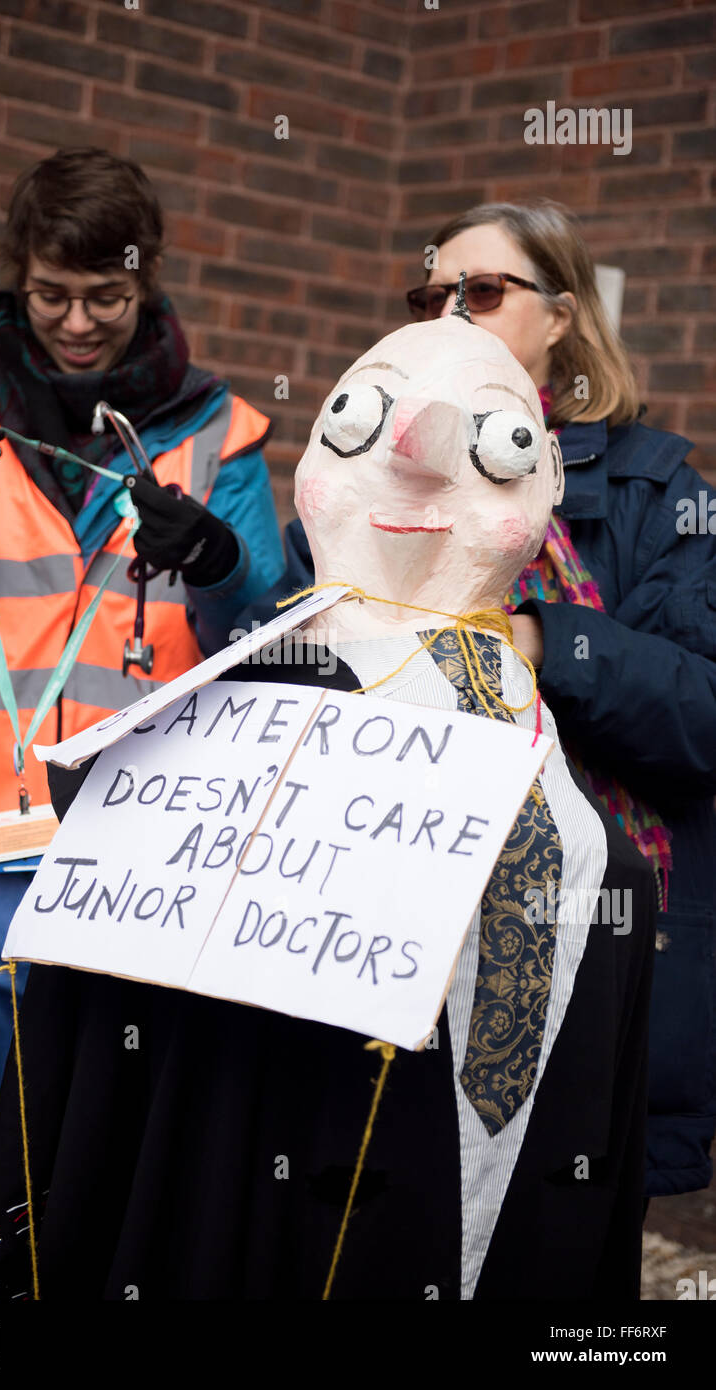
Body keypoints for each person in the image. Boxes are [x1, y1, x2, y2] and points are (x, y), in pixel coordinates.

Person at [0, 313, 655, 1300]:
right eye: (354, 420)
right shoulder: (212, 733)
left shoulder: (553, 789)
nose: (415, 456)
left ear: (548, 476)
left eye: (495, 439)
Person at [0, 146, 284, 1299]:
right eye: (52, 295)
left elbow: (274, 627)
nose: (79, 322)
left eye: (108, 297)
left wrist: (219, 556)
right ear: (18, 274)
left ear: (149, 285)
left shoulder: (220, 433)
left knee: (115, 1152)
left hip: (135, 856)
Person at [245, 198, 716, 1201]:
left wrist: (546, 640)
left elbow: (703, 718)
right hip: (382, 947)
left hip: (594, 960)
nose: (449, 313)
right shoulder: (358, 480)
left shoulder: (654, 495)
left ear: (564, 317)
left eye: (485, 291)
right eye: (430, 294)